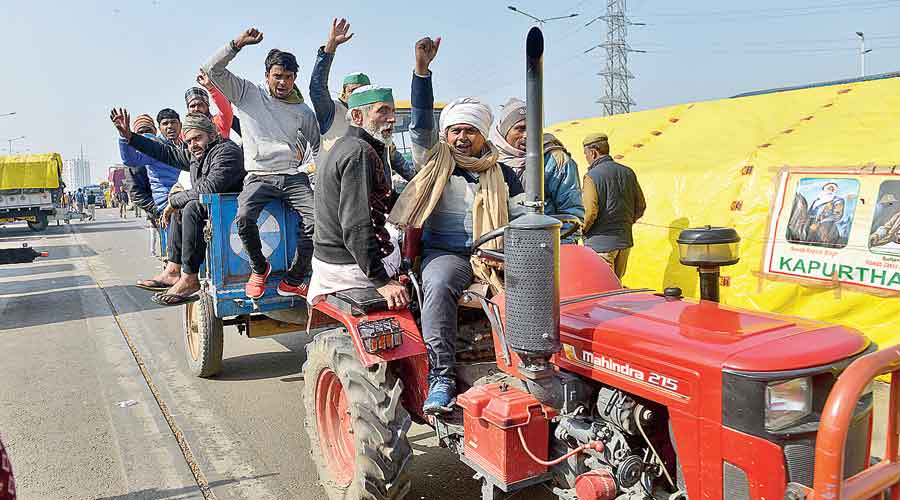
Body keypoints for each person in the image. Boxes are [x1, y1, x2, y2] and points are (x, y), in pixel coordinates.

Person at [388, 37, 527, 414]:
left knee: (536, 286)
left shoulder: (502, 176)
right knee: (436, 282)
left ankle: (531, 366)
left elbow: (521, 220)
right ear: (446, 135)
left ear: (484, 136)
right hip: (446, 253)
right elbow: (419, 123)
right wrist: (422, 71)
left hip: (492, 254)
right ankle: (442, 376)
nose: (462, 138)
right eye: (455, 131)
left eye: (470, 131)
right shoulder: (435, 164)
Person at [203, 27, 320, 299]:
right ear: (267, 75)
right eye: (277, 76)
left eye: (288, 77)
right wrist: (237, 44)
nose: (283, 82)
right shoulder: (247, 93)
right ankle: (259, 267)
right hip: (258, 176)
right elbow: (211, 70)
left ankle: (294, 278)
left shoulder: (303, 110)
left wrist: (314, 175)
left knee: (318, 222)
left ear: (295, 79)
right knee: (243, 219)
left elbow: (318, 146)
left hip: (293, 176)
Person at [111, 109, 245, 305]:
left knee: (189, 206)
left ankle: (190, 278)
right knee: (182, 207)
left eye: (197, 138)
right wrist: (129, 137)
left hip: (231, 208)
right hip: (215, 209)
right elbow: (163, 152)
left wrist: (174, 201)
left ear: (213, 135)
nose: (193, 145)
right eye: (189, 141)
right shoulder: (197, 154)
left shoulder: (226, 152)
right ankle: (174, 270)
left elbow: (209, 189)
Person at [308, 85, 410, 310]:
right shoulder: (359, 152)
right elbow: (356, 225)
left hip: (332, 257)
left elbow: (382, 198)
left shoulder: (348, 145)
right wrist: (382, 282)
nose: (392, 119)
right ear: (356, 116)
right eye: (382, 111)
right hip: (349, 265)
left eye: (393, 112)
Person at [309, 18, 417, 189]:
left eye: (364, 91)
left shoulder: (377, 125)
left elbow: (396, 160)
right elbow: (317, 88)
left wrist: (422, 183)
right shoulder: (332, 112)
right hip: (337, 190)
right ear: (344, 93)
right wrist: (330, 48)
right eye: (354, 91)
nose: (359, 95)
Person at [489, 97, 584, 240]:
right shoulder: (489, 161)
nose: (527, 135)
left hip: (544, 248)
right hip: (498, 247)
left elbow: (571, 213)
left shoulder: (555, 161)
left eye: (533, 128)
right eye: (520, 129)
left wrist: (559, 251)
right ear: (504, 131)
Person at [581, 132, 646, 278]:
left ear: (593, 152)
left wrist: (582, 230)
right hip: (624, 241)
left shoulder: (592, 176)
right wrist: (625, 223)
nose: (586, 158)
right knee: (617, 287)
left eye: (586, 154)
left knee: (602, 288)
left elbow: (590, 212)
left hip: (600, 245)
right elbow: (640, 205)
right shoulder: (628, 172)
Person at [118, 112, 180, 223]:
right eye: (140, 133)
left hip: (178, 200)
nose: (145, 135)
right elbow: (136, 193)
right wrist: (157, 210)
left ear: (156, 131)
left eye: (148, 131)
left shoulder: (176, 147)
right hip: (160, 207)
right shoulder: (137, 160)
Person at [186, 71, 235, 139]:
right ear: (188, 109)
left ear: (207, 106)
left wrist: (210, 87)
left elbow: (226, 110)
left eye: (200, 105)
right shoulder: (185, 131)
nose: (196, 109)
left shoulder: (218, 122)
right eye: (192, 106)